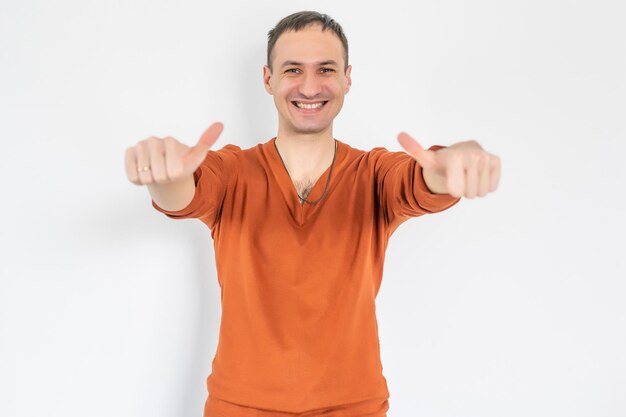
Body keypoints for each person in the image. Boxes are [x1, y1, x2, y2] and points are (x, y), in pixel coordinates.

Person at [124, 10, 500, 417]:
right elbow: (184, 193)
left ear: (346, 79)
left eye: (325, 69)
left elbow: (421, 182)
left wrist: (454, 162)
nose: (309, 86)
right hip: (240, 406)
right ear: (268, 79)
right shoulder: (232, 171)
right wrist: (163, 173)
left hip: (354, 407)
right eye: (292, 70)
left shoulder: (374, 174)